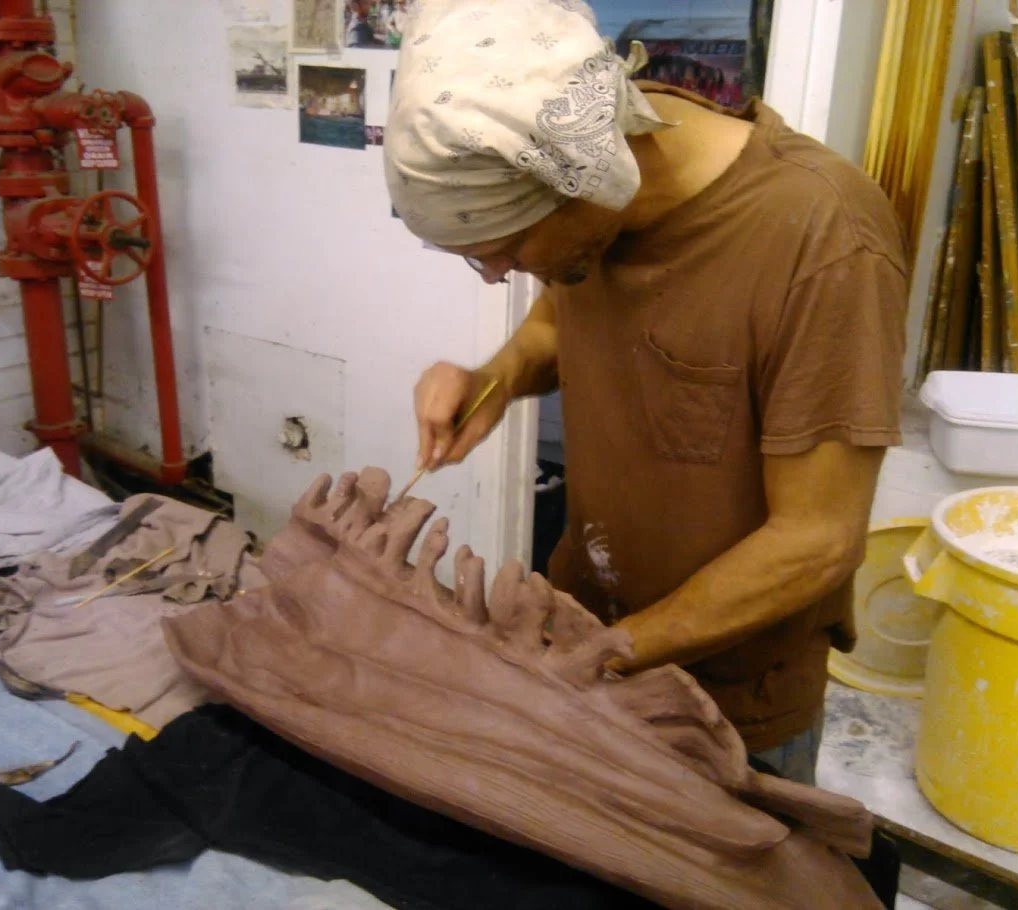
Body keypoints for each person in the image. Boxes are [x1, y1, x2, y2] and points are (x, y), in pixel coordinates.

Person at [385, 0, 908, 785]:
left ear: (584, 187)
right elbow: (553, 331)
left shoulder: (822, 240)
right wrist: (487, 382)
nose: (494, 274)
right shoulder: (595, 211)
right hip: (583, 628)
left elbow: (817, 539)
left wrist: (604, 655)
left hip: (730, 701)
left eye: (501, 250)